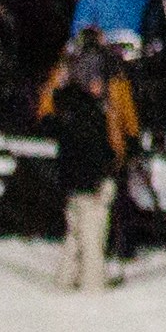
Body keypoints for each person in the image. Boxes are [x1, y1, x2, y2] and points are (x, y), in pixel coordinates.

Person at [40, 27, 138, 294]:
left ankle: (65, 277)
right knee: (94, 228)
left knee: (76, 225)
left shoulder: (65, 91)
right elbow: (126, 124)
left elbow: (45, 116)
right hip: (97, 169)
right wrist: (122, 151)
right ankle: (93, 282)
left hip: (72, 170)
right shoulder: (108, 84)